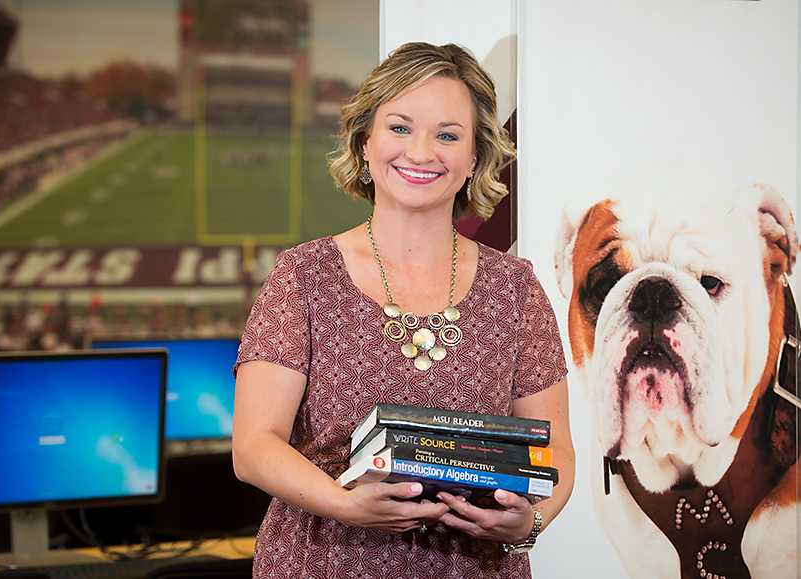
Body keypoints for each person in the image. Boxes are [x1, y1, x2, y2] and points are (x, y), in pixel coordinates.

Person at [232, 42, 574, 579]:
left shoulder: (518, 289)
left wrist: (528, 524)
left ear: (476, 158)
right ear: (365, 142)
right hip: (324, 563)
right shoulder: (303, 276)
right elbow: (253, 446)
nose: (420, 152)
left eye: (447, 134)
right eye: (399, 127)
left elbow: (555, 456)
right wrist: (346, 505)